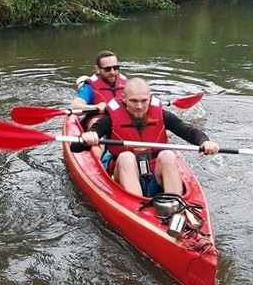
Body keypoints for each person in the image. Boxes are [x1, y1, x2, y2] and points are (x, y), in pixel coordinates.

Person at [72, 78, 219, 197]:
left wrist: (205, 142)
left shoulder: (162, 115)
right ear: (124, 99)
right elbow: (76, 147)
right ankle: (135, 207)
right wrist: (88, 137)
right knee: (126, 157)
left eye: (144, 101)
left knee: (167, 154)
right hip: (124, 177)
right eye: (134, 101)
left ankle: (174, 204)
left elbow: (189, 131)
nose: (139, 106)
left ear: (149, 98)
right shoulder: (109, 118)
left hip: (155, 176)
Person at [69, 50, 127, 114]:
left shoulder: (127, 85)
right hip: (100, 120)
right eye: (107, 69)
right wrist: (96, 107)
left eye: (115, 68)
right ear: (98, 69)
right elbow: (74, 107)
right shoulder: (89, 88)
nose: (112, 72)